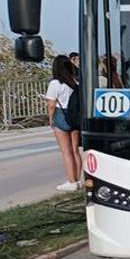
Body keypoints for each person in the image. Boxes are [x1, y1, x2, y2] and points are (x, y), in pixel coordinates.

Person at [46, 55, 82, 192]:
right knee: (75, 151)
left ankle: (71, 181)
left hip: (61, 114)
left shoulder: (55, 84)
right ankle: (78, 180)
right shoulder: (75, 82)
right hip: (75, 116)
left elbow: (51, 105)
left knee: (66, 152)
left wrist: (51, 119)